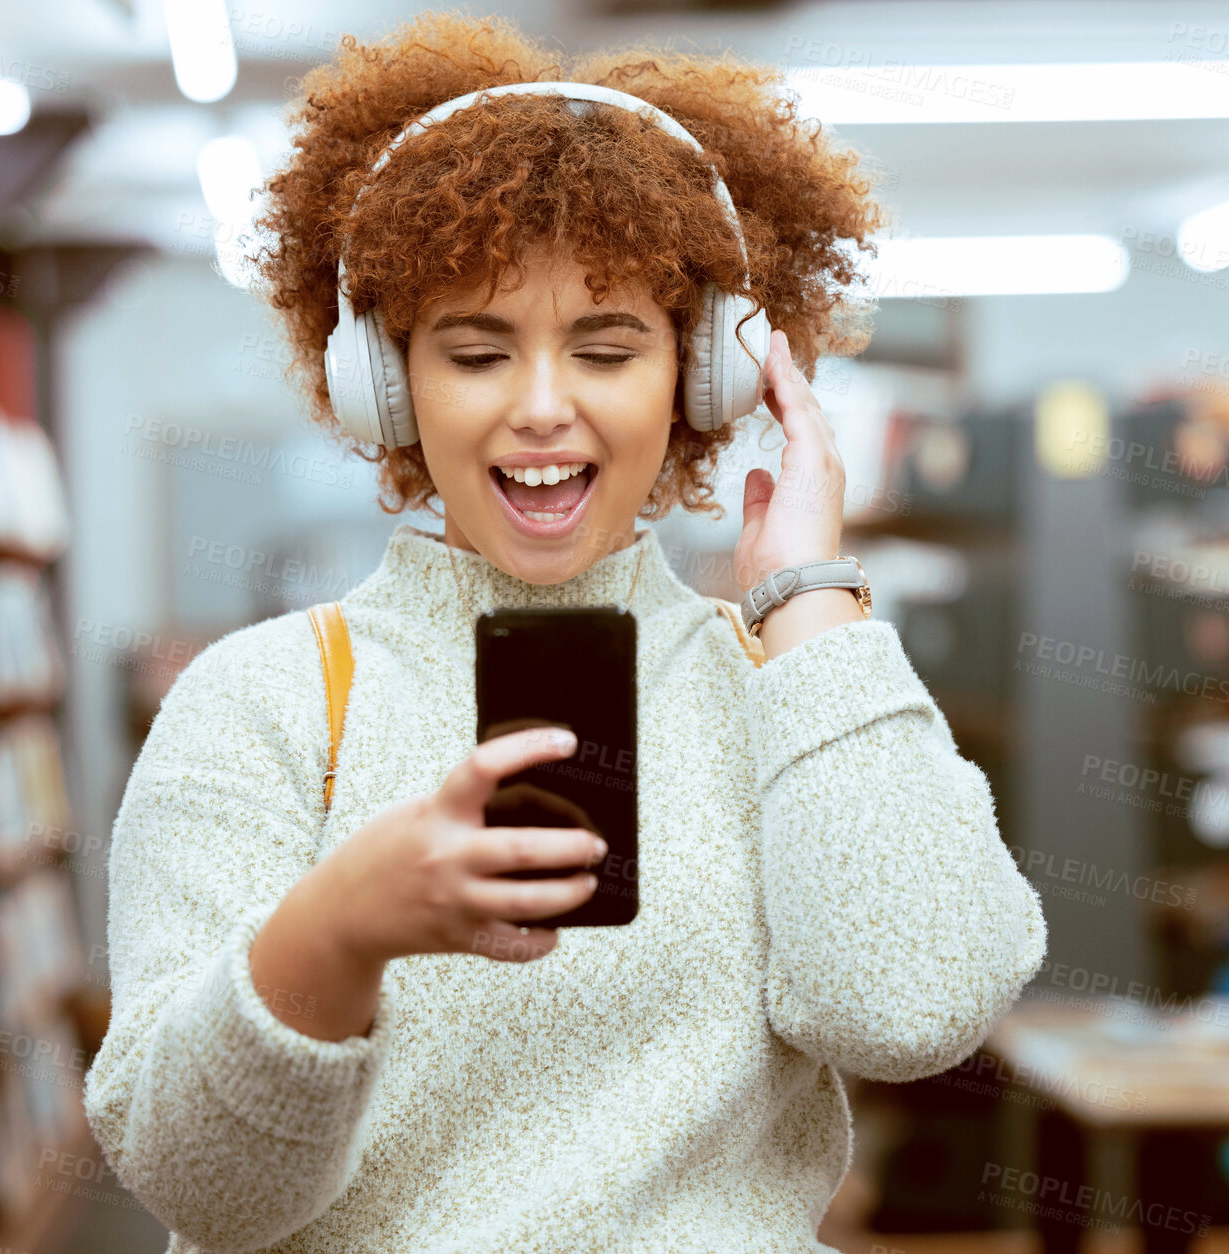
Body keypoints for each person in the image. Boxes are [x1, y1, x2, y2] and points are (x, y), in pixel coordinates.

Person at [82, 12, 1047, 1253]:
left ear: (700, 376)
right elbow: (198, 1188)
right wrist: (338, 933)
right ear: (390, 382)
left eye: (607, 347)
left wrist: (808, 594)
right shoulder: (264, 701)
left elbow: (912, 1012)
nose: (543, 407)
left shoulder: (792, 682)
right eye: (476, 352)